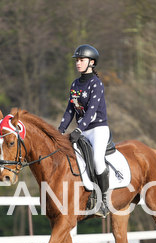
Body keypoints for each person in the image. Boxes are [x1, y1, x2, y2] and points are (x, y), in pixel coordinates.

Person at [58, 44, 111, 217]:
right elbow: (70, 110)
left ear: (92, 62)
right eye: (77, 60)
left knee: (97, 160)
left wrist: (78, 130)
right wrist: (60, 131)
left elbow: (91, 111)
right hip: (82, 130)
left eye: (81, 60)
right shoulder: (75, 84)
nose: (78, 63)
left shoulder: (96, 83)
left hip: (97, 129)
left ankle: (104, 201)